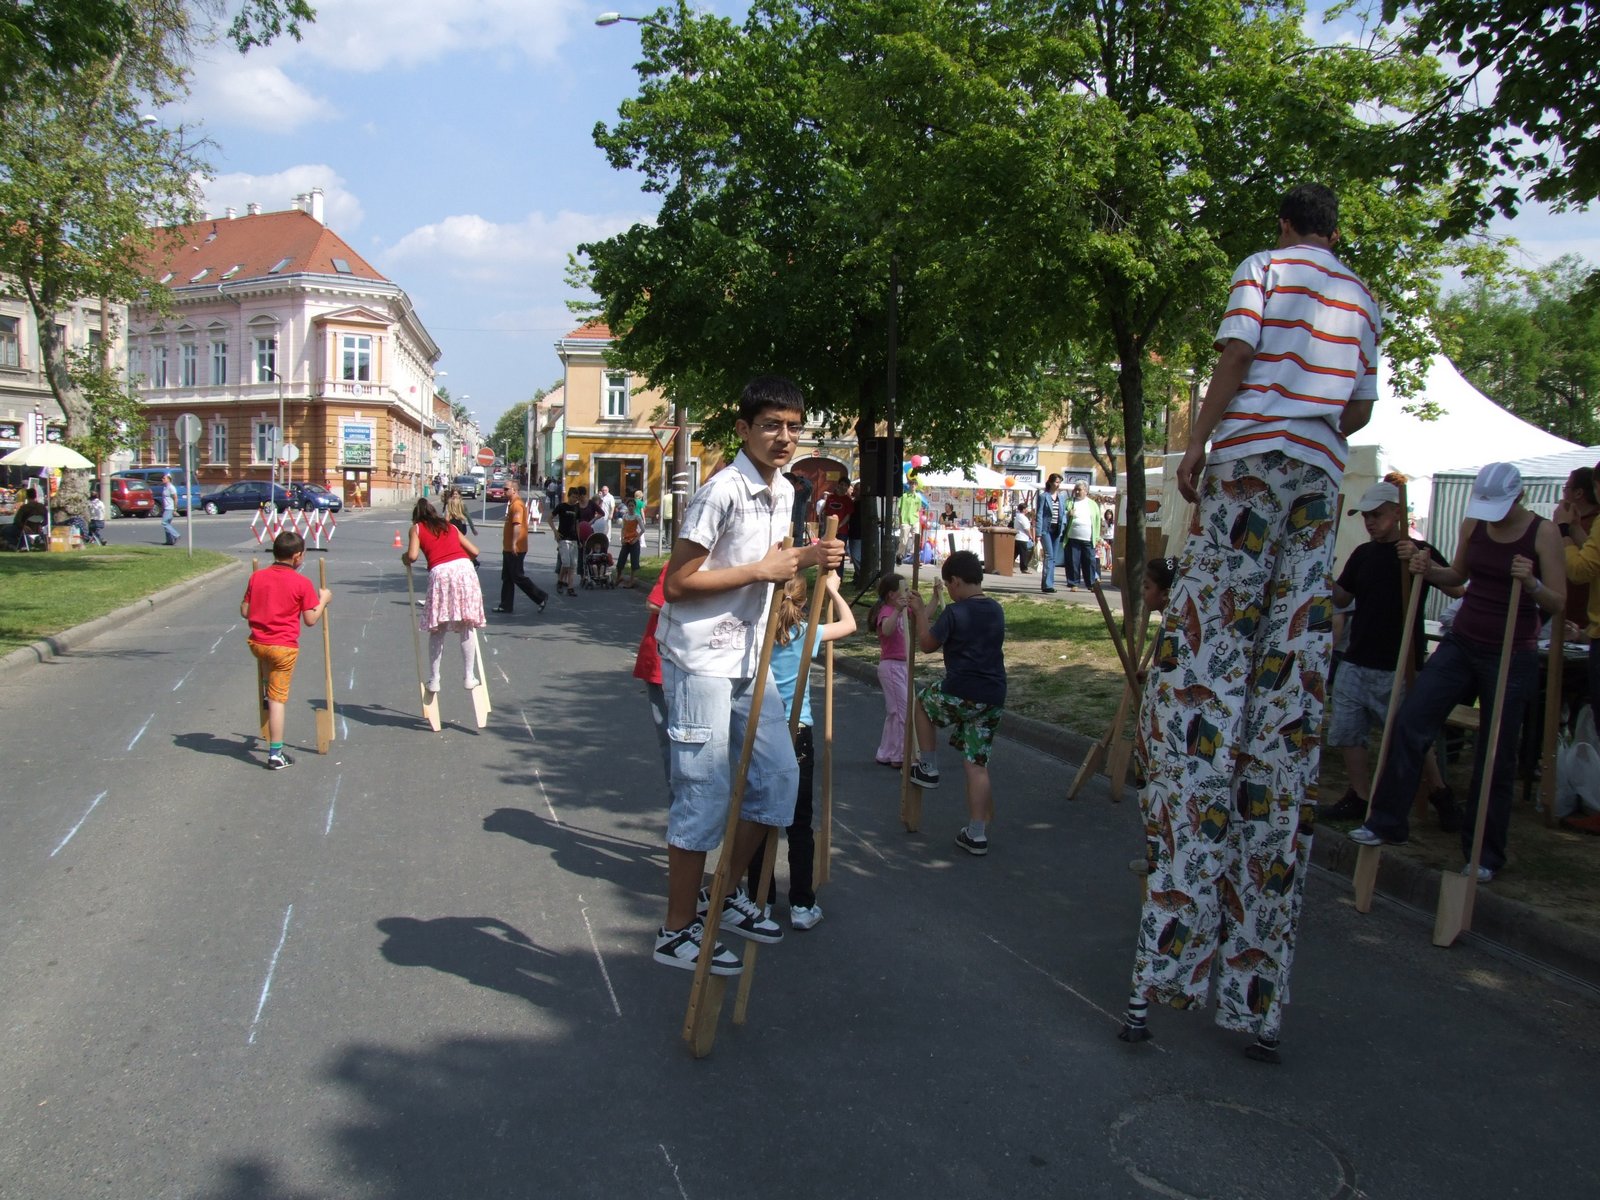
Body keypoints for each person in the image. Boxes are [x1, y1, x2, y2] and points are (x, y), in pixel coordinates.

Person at [1120, 183, 1381, 1063]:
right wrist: (1315, 411)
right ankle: (1254, 994)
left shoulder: (1264, 268)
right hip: (1317, 478)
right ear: (1336, 228)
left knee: (1214, 661)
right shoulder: (1360, 296)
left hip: (1249, 464)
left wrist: (1200, 440)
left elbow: (1235, 356)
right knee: (1287, 682)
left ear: (1283, 223)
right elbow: (1358, 409)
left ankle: (1166, 969)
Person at [652, 375, 845, 975]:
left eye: (793, 427)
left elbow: (777, 565)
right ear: (743, 429)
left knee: (779, 783)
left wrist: (810, 560)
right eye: (770, 425)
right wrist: (763, 570)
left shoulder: (785, 490)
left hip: (749, 660)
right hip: (701, 662)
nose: (784, 437)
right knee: (703, 796)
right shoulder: (722, 492)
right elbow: (678, 584)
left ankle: (722, 892)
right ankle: (675, 930)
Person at [1350, 462, 1564, 881]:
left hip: (1510, 650)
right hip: (1462, 642)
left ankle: (1484, 853)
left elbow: (1557, 601)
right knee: (1411, 720)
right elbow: (1458, 575)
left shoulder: (1543, 533)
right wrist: (1428, 569)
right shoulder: (1474, 523)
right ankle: (1387, 822)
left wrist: (1532, 583)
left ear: (1519, 497)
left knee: (1496, 753)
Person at [1320, 479, 1461, 828]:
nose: (1369, 522)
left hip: (1399, 660)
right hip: (1357, 656)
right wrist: (1324, 574)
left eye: (1377, 515)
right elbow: (1342, 597)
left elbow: (1457, 588)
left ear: (1397, 513)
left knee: (1408, 733)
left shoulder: (1418, 550)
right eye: (1366, 516)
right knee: (1348, 730)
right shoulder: (1363, 554)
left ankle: (1440, 793)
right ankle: (1360, 795)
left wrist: (1424, 565)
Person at [747, 570, 856, 930]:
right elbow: (850, 625)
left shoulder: (761, 632)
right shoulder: (807, 633)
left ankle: (759, 900)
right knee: (799, 821)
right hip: (798, 732)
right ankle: (801, 904)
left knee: (760, 817)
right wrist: (834, 592)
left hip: (764, 730)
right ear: (804, 601)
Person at [906, 549, 1007, 856]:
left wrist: (921, 612)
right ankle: (976, 834)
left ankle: (928, 765)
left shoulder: (955, 612)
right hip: (993, 696)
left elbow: (926, 645)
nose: (949, 590)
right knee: (977, 764)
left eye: (949, 585)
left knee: (922, 703)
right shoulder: (996, 609)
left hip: (961, 689)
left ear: (957, 581)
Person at [241, 530, 331, 770]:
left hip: (258, 644)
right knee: (277, 700)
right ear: (297, 556)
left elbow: (245, 611)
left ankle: (266, 685)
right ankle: (276, 754)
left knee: (267, 668)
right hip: (283, 647)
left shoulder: (257, 577)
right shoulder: (301, 583)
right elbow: (310, 619)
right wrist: (324, 599)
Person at [401, 497, 488, 700]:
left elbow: (412, 556)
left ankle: (435, 678)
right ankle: (469, 676)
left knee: (438, 627)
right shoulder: (450, 527)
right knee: (466, 623)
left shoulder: (416, 528)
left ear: (416, 517)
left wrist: (404, 558)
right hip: (464, 569)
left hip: (441, 572)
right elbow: (475, 551)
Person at [492, 480, 548, 615]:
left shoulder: (517, 505)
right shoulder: (512, 504)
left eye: (506, 489)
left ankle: (540, 596)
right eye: (504, 489)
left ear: (514, 490)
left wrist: (514, 544)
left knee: (517, 576)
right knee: (507, 577)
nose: (504, 491)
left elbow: (517, 526)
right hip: (509, 548)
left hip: (515, 548)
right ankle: (505, 605)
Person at [634, 572, 670, 777]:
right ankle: (677, 790)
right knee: (671, 737)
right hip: (661, 662)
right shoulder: (679, 564)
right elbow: (654, 603)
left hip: (689, 666)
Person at [871, 573, 909, 768]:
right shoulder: (887, 611)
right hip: (891, 666)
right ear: (892, 594)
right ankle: (900, 754)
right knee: (902, 712)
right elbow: (886, 630)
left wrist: (936, 597)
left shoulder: (905, 610)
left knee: (895, 712)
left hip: (903, 665)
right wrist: (898, 611)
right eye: (904, 589)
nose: (907, 593)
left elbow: (925, 615)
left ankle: (887, 752)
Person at [1064, 481, 1101, 589]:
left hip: (1088, 538)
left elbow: (1097, 521)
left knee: (1089, 562)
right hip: (1072, 537)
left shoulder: (1093, 504)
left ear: (1086, 491)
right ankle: (1073, 583)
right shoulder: (1069, 501)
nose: (1077, 492)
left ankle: (1091, 584)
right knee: (1073, 562)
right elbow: (1062, 514)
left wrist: (1097, 537)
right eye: (1075, 489)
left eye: (1079, 490)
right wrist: (1067, 513)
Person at [549, 487, 582, 597]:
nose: (575, 499)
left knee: (573, 564)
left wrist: (579, 539)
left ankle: (570, 587)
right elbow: (549, 518)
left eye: (576, 497)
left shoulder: (577, 508)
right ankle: (560, 580)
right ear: (568, 496)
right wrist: (555, 532)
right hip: (563, 538)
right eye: (573, 497)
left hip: (574, 539)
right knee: (566, 562)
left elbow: (577, 525)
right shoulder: (561, 506)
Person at [1035, 474, 1065, 593]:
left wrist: (1063, 526)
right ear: (1051, 483)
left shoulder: (1061, 497)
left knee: (1053, 558)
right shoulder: (1044, 496)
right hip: (1046, 529)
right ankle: (1047, 585)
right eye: (1056, 482)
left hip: (1057, 529)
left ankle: (1049, 583)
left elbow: (1063, 513)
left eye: (1059, 482)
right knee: (1049, 555)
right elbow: (1039, 514)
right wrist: (1038, 533)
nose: (1058, 485)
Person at [616, 500, 643, 587]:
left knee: (634, 562)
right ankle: (619, 577)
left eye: (632, 506)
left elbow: (643, 530)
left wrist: (636, 539)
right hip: (626, 541)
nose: (631, 507)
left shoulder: (637, 516)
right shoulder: (625, 516)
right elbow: (623, 528)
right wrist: (622, 539)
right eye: (629, 506)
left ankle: (632, 581)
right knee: (621, 560)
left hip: (634, 542)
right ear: (627, 507)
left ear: (635, 507)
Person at [1011, 501, 1034, 573]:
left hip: (1018, 537)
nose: (1027, 510)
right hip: (1022, 538)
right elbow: (1026, 528)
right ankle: (1024, 568)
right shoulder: (1022, 517)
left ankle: (1009, 566)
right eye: (1026, 508)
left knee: (1015, 553)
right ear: (1023, 509)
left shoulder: (1018, 516)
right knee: (1024, 554)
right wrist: (1030, 536)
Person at [160, 472, 179, 546]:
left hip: (170, 508)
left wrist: (175, 509)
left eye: (164, 478)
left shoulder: (171, 487)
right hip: (166, 508)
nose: (162, 479)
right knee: (167, 525)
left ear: (168, 479)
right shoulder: (165, 487)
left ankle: (176, 535)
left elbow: (175, 498)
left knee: (164, 523)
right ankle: (169, 541)